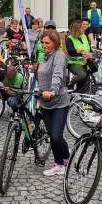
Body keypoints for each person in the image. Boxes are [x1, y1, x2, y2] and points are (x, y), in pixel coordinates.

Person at [36, 31, 70, 176]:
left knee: (56, 136)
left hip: (59, 101)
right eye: (42, 43)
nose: (44, 46)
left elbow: (57, 74)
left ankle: (66, 155)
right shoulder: (44, 56)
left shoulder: (59, 56)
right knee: (52, 135)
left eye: (47, 43)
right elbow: (43, 75)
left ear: (55, 43)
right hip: (45, 102)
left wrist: (53, 91)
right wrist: (39, 89)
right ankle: (60, 164)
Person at [65, 19, 93, 91]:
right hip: (74, 62)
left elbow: (88, 47)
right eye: (81, 27)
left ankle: (80, 93)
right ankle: (70, 83)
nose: (84, 28)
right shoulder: (69, 38)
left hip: (85, 61)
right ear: (77, 29)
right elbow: (71, 51)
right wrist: (78, 51)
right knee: (82, 75)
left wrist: (90, 53)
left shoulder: (84, 36)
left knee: (86, 79)